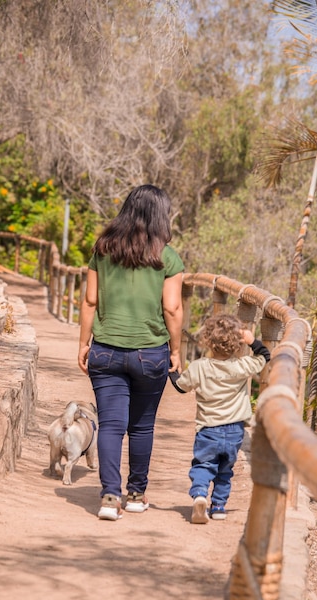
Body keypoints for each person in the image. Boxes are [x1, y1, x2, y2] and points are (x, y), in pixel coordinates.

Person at [78, 184, 184, 521]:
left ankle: (110, 496)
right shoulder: (168, 257)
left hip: (106, 351)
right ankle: (137, 494)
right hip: (150, 354)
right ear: (161, 217)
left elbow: (90, 301)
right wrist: (176, 350)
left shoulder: (103, 249)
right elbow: (172, 308)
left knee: (110, 426)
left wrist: (83, 343)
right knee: (141, 427)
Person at [169, 313, 270, 524]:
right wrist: (252, 341)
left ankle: (199, 495)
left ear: (208, 340)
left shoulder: (200, 367)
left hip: (208, 429)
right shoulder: (243, 366)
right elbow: (264, 355)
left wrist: (171, 371)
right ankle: (219, 506)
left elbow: (180, 387)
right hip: (235, 431)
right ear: (238, 344)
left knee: (204, 466)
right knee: (225, 470)